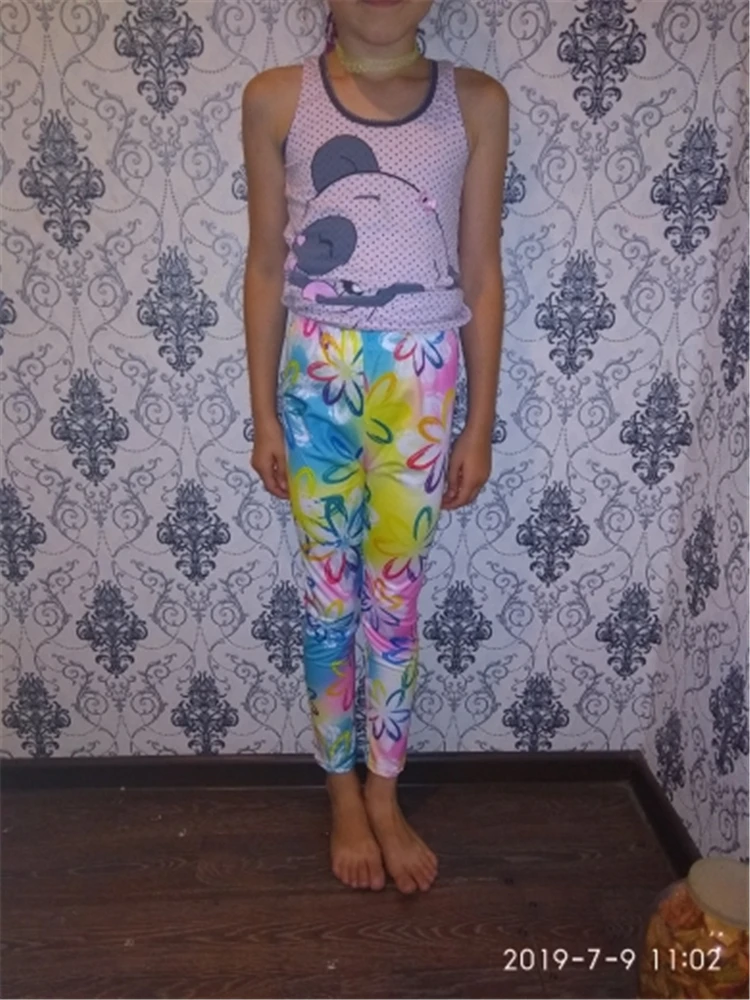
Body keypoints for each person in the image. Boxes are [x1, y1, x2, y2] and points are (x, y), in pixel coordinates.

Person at [242, 0, 508, 895]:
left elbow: (481, 272)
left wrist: (479, 422)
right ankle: (340, 791)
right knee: (328, 599)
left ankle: (385, 793)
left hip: (422, 386)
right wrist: (264, 416)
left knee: (395, 601)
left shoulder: (476, 102)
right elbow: (267, 265)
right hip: (316, 384)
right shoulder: (277, 98)